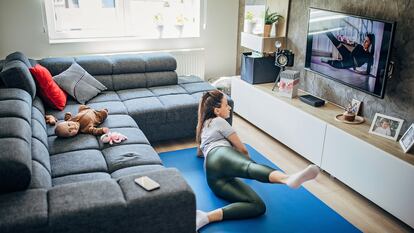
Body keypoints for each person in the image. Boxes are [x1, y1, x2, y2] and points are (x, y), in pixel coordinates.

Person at [195, 90, 320, 231]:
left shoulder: (203, 126)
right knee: (248, 167)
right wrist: (249, 168)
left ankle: (206, 217)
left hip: (213, 179)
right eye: (226, 105)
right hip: (220, 155)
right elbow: (243, 150)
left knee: (258, 206)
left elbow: (200, 152)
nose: (229, 107)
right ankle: (287, 178)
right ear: (217, 110)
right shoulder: (219, 121)